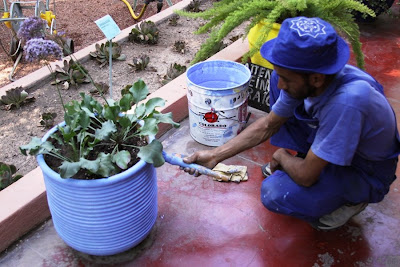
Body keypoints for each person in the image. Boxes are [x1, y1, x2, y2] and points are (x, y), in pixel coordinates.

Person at [182, 16, 400, 230]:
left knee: (275, 193)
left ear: (316, 79)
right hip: (336, 135)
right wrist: (215, 155)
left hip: (363, 169)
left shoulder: (347, 103)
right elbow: (270, 124)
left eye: (287, 77)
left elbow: (305, 177)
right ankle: (313, 158)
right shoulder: (310, 79)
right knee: (277, 83)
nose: (282, 84)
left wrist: (282, 157)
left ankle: (353, 198)